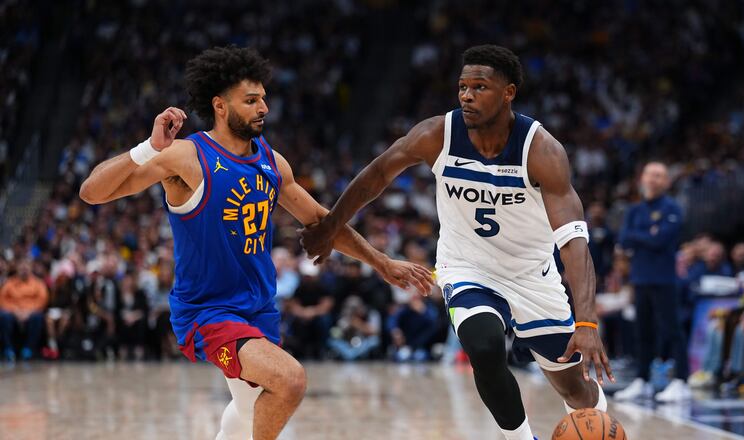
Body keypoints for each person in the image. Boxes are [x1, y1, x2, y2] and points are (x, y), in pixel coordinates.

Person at [79, 46, 433, 440]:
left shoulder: (272, 162)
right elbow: (92, 192)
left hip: (259, 307)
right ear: (219, 106)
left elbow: (322, 221)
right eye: (250, 101)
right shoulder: (186, 157)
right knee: (290, 381)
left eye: (264, 98)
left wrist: (382, 262)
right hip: (208, 311)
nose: (263, 107)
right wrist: (149, 147)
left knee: (250, 407)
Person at [301, 45, 613, 440]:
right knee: (483, 348)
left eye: (479, 87)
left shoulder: (541, 149)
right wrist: (330, 226)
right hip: (468, 268)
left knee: (574, 387)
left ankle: (598, 421)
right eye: (463, 86)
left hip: (533, 276)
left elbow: (573, 241)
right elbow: (377, 175)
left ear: (508, 93)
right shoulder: (438, 134)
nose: (466, 95)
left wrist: (586, 320)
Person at [615, 161, 691, 402]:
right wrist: (649, 234)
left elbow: (660, 241)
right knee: (643, 331)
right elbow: (624, 239)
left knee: (672, 330)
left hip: (664, 279)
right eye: (649, 174)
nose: (653, 179)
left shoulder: (672, 208)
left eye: (659, 175)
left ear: (667, 182)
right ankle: (642, 381)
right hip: (640, 278)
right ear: (642, 178)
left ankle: (681, 381)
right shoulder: (634, 210)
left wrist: (642, 237)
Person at [0, 260, 49, 361]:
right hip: (13, 312)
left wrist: (29, 312)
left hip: (31, 312)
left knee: (37, 317)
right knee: (3, 316)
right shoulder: (9, 283)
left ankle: (29, 349)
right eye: (21, 268)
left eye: (26, 268)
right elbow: (2, 299)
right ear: (17, 270)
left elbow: (43, 300)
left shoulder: (38, 283)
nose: (24, 270)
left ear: (30, 269)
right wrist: (15, 311)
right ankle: (8, 349)